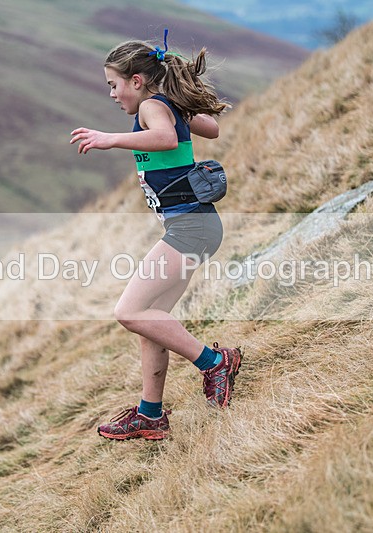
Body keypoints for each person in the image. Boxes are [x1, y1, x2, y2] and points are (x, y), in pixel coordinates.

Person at [70, 30, 243, 440]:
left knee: (128, 312)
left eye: (114, 85)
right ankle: (150, 415)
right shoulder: (162, 105)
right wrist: (181, 105)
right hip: (194, 225)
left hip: (190, 226)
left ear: (136, 80)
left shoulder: (150, 106)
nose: (111, 94)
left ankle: (215, 362)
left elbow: (165, 138)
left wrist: (110, 139)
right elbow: (212, 129)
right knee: (151, 320)